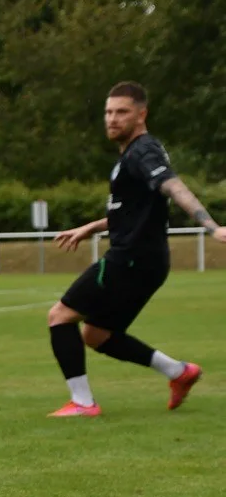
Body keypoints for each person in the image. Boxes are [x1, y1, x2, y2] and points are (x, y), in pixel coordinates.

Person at [46, 81, 226, 417]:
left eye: (121, 112)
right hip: (147, 262)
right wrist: (91, 227)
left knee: (60, 316)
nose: (112, 119)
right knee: (96, 335)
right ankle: (179, 372)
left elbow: (174, 187)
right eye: (108, 112)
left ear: (141, 115)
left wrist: (212, 227)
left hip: (130, 259)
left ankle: (83, 403)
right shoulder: (131, 155)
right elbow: (135, 210)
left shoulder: (143, 151)